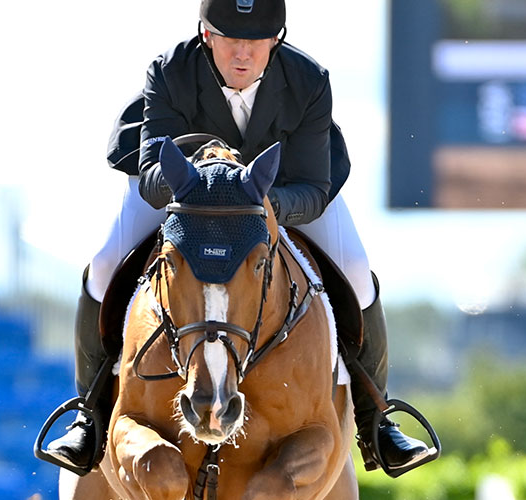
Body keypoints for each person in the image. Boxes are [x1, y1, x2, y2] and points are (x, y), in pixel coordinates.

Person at [42, 0, 437, 475]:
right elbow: (149, 176)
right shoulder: (171, 72)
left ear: (277, 40)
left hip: (282, 193)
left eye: (256, 42)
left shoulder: (309, 81)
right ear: (207, 35)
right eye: (230, 40)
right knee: (105, 264)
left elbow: (314, 188)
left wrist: (266, 208)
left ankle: (378, 424)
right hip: (183, 195)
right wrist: (204, 193)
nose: (243, 55)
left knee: (355, 271)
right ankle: (89, 415)